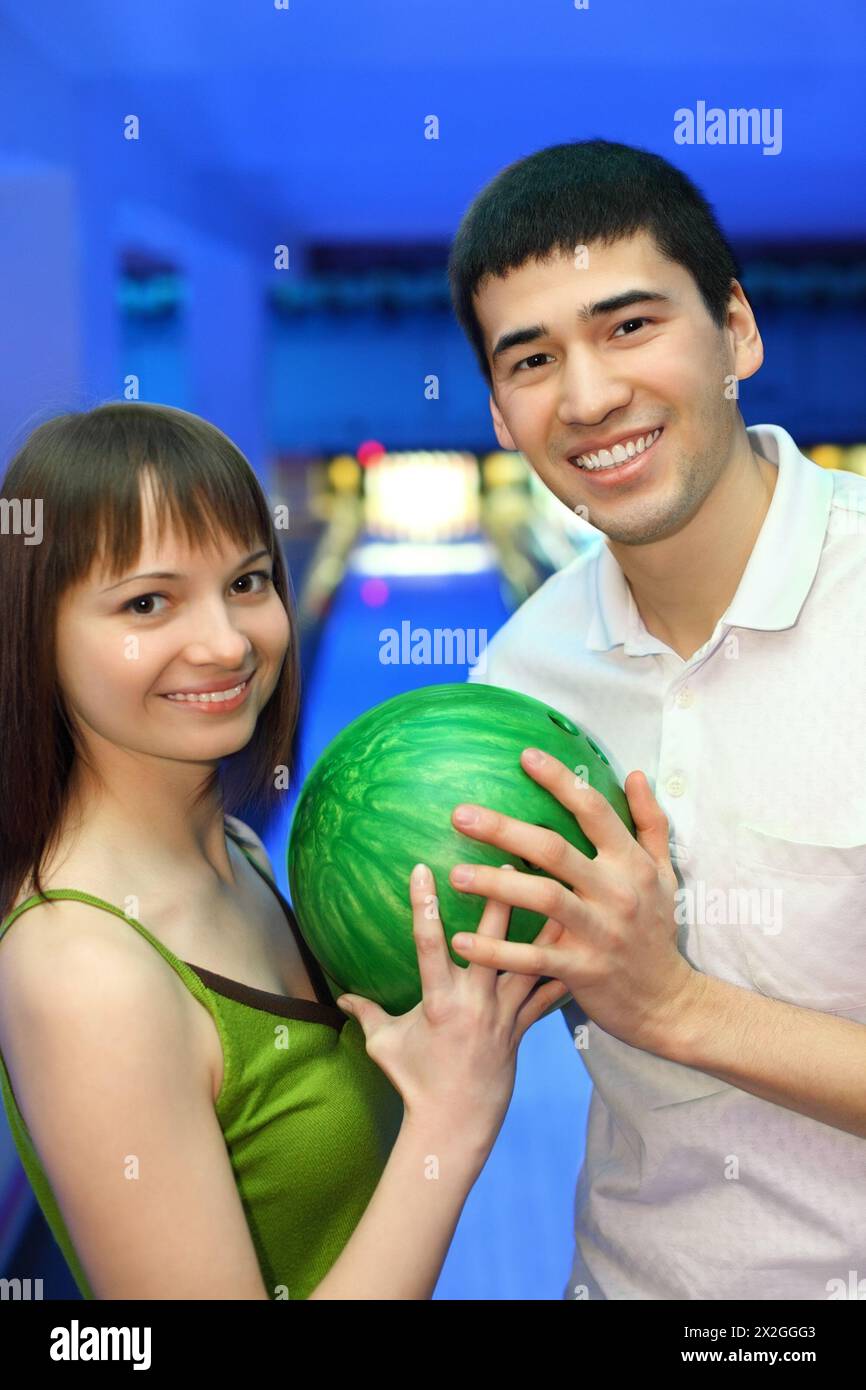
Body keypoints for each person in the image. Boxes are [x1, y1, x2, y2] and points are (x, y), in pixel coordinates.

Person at [0, 401, 568, 1300]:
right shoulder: (81, 968)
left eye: (248, 582)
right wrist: (449, 1118)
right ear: (38, 630)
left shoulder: (237, 851)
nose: (226, 643)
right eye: (147, 601)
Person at [442, 138, 866, 1300]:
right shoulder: (516, 679)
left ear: (733, 330)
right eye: (531, 359)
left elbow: (652, 1008)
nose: (586, 397)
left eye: (627, 326)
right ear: (495, 408)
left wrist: (672, 1006)